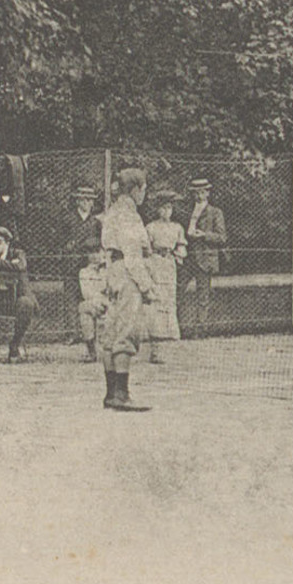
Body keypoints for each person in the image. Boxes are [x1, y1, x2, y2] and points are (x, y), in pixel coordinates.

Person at [97, 167, 156, 411]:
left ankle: (111, 392)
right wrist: (146, 286)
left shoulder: (112, 212)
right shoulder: (129, 215)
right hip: (128, 273)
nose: (144, 194)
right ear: (134, 190)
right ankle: (122, 393)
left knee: (111, 330)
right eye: (142, 189)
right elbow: (133, 255)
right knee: (127, 330)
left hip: (113, 271)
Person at [0, 225, 40, 362]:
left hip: (16, 300)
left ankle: (14, 345)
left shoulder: (17, 254)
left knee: (26, 304)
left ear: (7, 244)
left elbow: (20, 266)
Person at [144, 190, 187, 362]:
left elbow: (181, 246)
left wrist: (179, 254)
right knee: (156, 300)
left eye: (169, 208)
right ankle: (155, 346)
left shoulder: (177, 227)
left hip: (169, 264)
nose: (166, 212)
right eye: (163, 208)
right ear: (157, 210)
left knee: (169, 299)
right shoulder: (151, 227)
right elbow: (146, 249)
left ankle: (167, 340)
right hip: (155, 263)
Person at [183, 176, 227, 334]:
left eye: (202, 192)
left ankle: (200, 329)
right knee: (179, 290)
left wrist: (203, 235)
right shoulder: (188, 211)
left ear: (208, 193)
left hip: (205, 257)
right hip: (187, 257)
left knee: (203, 295)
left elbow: (222, 237)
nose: (198, 195)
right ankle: (180, 326)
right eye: (196, 192)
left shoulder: (215, 212)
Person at [62, 183, 103, 338]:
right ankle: (71, 333)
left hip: (88, 264)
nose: (86, 203)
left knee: (88, 295)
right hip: (72, 263)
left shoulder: (95, 222)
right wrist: (69, 246)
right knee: (71, 297)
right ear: (77, 201)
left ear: (92, 203)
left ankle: (89, 332)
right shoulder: (69, 220)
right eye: (83, 200)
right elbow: (62, 241)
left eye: (89, 200)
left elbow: (98, 242)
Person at [77, 249, 110, 360]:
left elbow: (111, 289)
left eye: (98, 252)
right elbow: (87, 293)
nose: (95, 256)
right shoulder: (84, 272)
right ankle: (91, 350)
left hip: (110, 303)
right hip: (96, 304)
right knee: (84, 308)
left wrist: (102, 272)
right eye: (91, 253)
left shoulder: (108, 270)